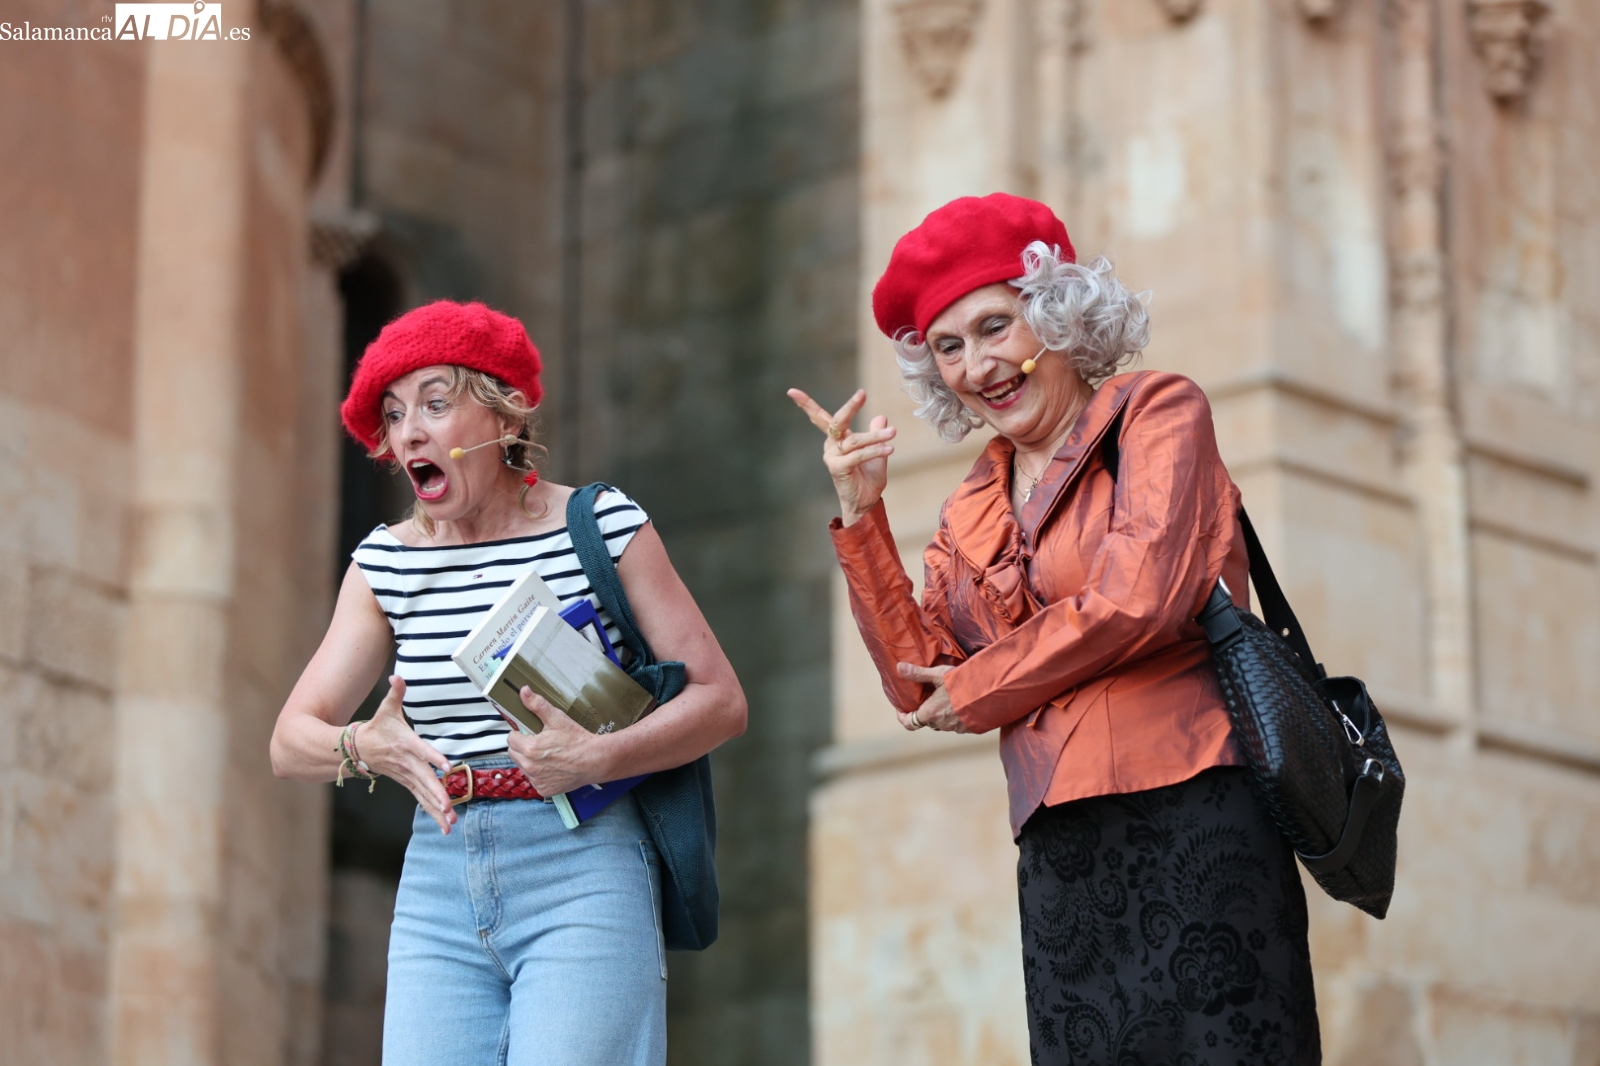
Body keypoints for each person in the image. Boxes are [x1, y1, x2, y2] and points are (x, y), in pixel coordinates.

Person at [788, 194, 1319, 1065]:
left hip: (1195, 807)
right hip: (1061, 851)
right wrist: (863, 516)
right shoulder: (970, 505)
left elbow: (1140, 597)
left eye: (995, 326)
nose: (976, 365)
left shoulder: (1156, 412)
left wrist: (985, 685)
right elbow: (920, 681)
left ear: (1056, 317)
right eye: (949, 347)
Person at [271, 300, 746, 1066]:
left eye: (435, 402)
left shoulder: (603, 525)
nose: (409, 432)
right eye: (394, 416)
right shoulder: (386, 564)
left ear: (505, 417)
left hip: (584, 864)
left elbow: (721, 702)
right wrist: (370, 748)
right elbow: (291, 740)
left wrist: (596, 759)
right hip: (438, 873)